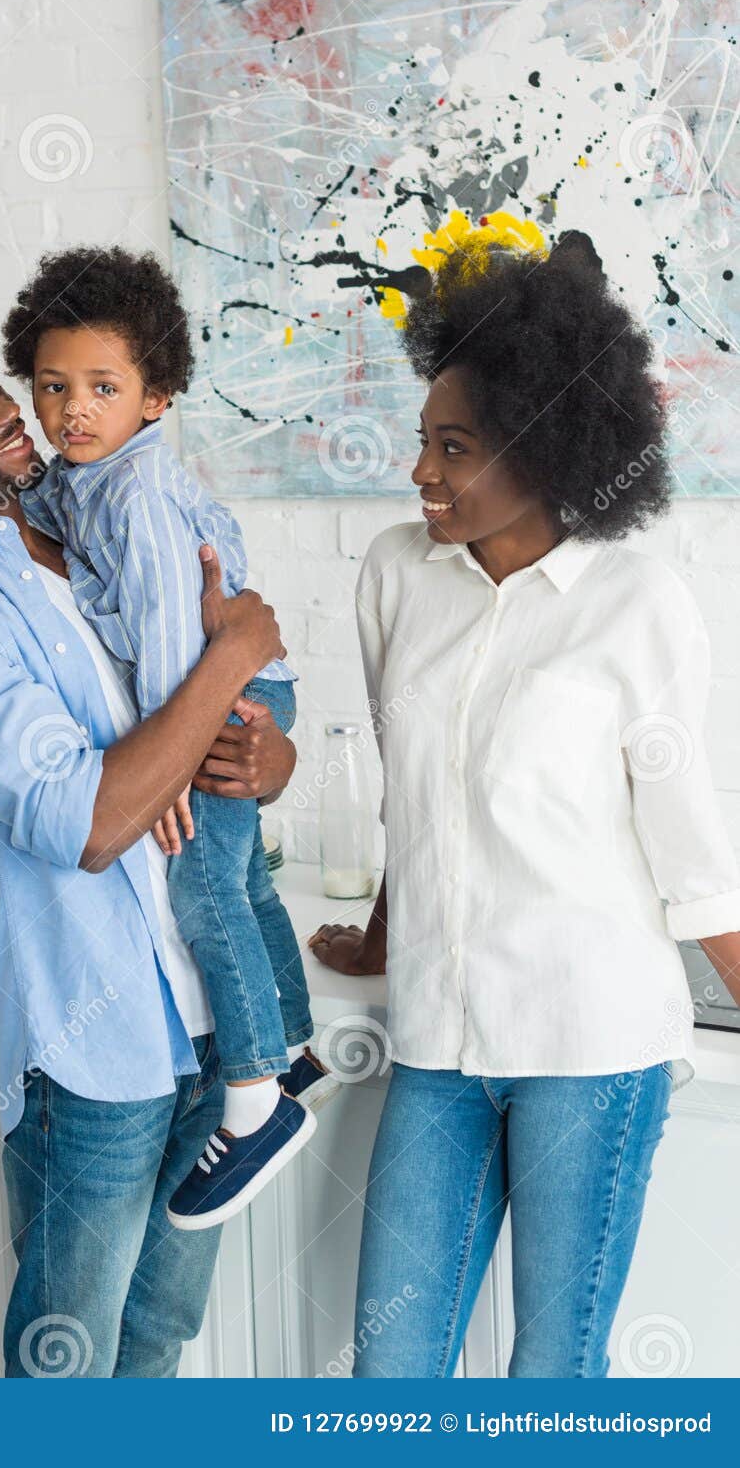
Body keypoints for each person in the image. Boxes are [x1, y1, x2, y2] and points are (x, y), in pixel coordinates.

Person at [311, 230, 740, 1379]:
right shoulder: (397, 573)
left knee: (553, 1378)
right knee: (390, 1375)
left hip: (590, 1045)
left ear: (547, 448)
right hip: (439, 1042)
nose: (421, 473)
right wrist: (385, 935)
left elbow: (691, 854)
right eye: (422, 441)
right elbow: (420, 791)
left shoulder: (639, 603)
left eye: (454, 448)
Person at [0, 328, 295, 1377]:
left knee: (160, 1337)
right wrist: (234, 657)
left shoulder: (82, 532)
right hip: (93, 1048)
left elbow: (201, 744)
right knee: (66, 1360)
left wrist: (267, 750)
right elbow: (89, 819)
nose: (5, 412)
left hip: (203, 1017)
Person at [0, 249, 332, 1231]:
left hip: (221, 698)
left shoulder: (127, 495)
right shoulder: (52, 507)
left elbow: (178, 638)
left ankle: (260, 1095)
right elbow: (89, 825)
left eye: (100, 387)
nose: (54, 412)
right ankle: (289, 1046)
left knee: (214, 882)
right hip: (105, 1026)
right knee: (238, 880)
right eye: (46, 387)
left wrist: (188, 744)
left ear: (157, 399)